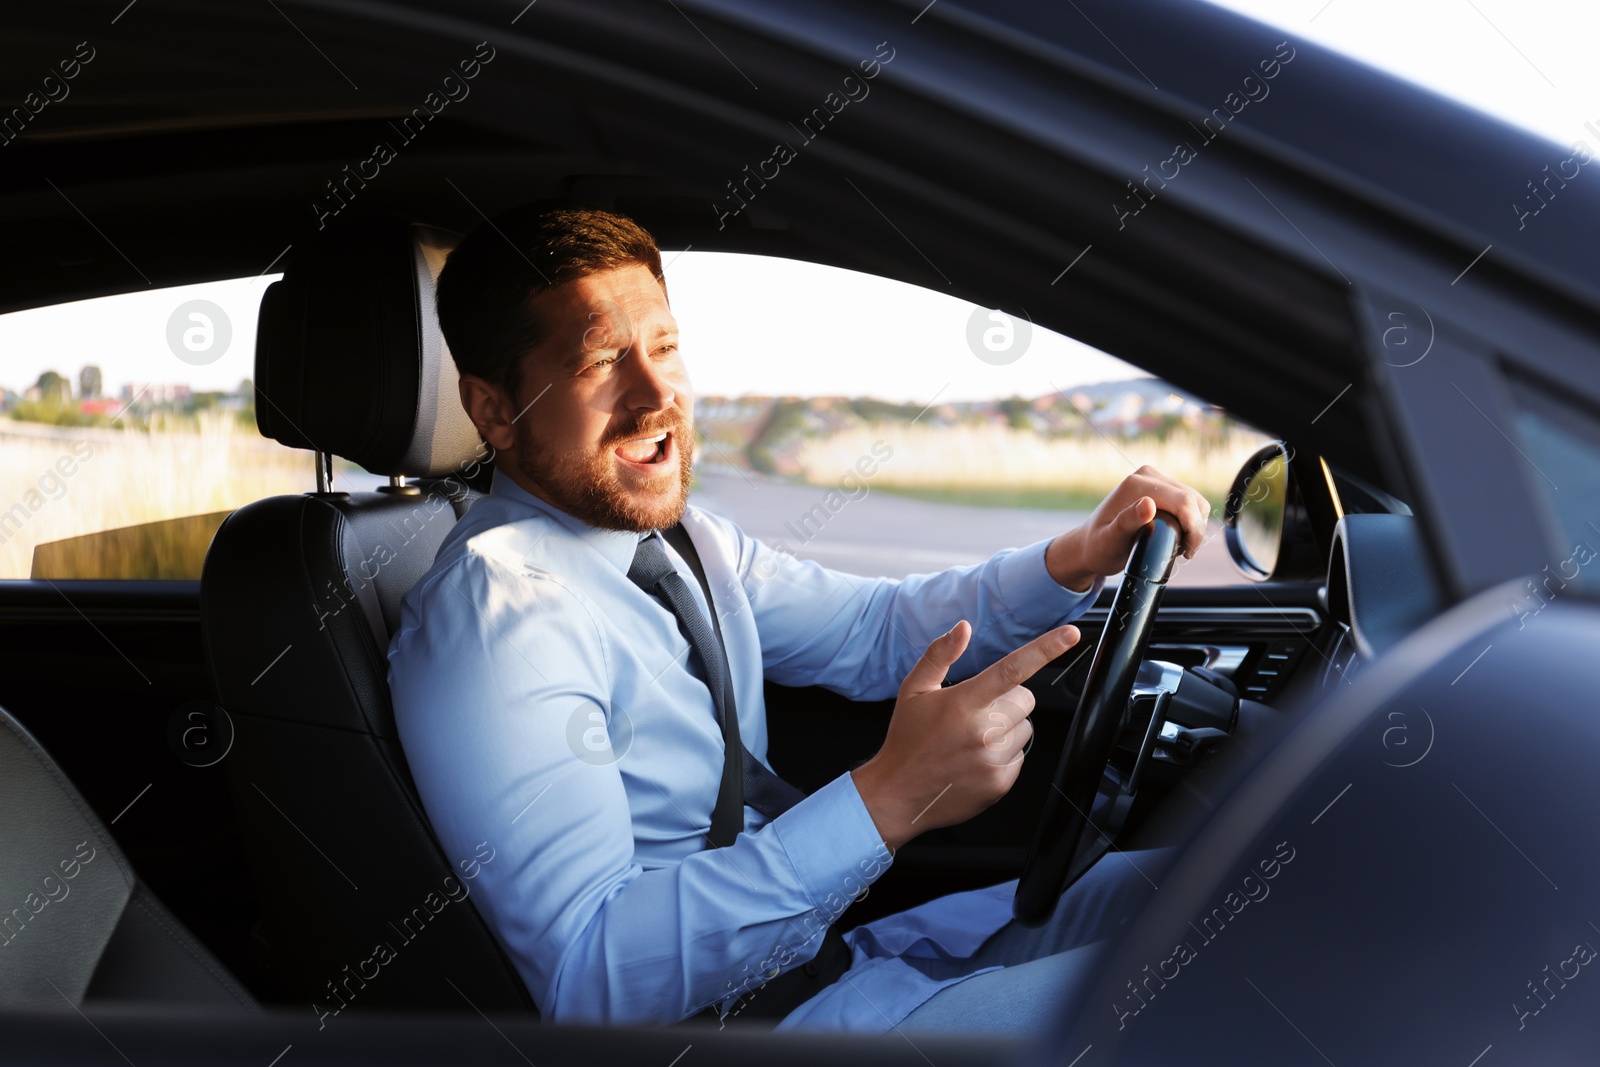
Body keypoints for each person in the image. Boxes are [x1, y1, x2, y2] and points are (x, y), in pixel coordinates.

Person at [386, 205, 1210, 1034]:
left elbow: (876, 629)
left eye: (666, 348)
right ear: (494, 411)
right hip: (752, 1026)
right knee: (1232, 979)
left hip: (829, 965)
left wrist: (1078, 554)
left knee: (1227, 886)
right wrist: (893, 795)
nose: (656, 394)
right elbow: (589, 975)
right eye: (603, 361)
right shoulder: (499, 608)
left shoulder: (681, 538)